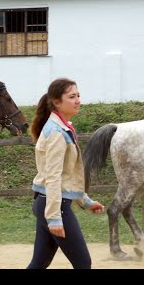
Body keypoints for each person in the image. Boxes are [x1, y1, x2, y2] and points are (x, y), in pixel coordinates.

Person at [27, 78, 105, 269]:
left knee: (39, 264)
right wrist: (54, 217)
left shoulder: (63, 127)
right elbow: (53, 178)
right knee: (83, 263)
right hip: (54, 205)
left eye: (78, 95)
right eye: (71, 96)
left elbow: (67, 176)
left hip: (48, 202)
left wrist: (85, 201)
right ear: (56, 102)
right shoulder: (56, 133)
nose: (78, 100)